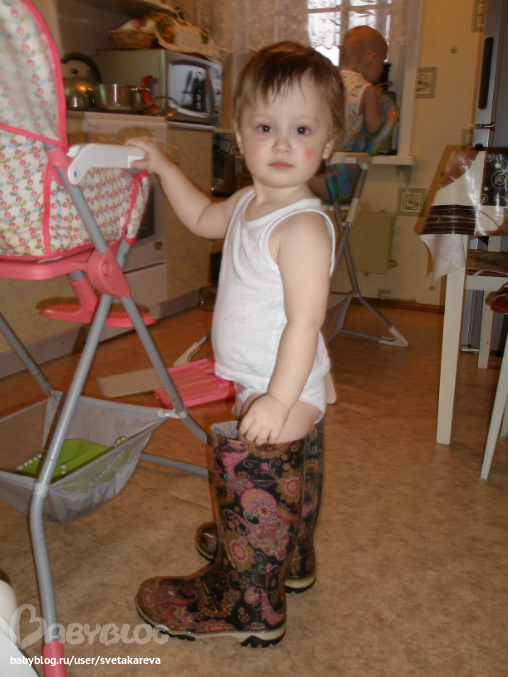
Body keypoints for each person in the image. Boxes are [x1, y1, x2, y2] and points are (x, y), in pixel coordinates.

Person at [126, 42, 345, 647]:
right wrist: (165, 167)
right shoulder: (250, 202)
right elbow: (202, 218)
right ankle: (287, 558)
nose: (282, 144)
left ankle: (251, 601)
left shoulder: (302, 226)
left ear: (328, 142)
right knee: (286, 472)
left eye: (302, 130)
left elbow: (304, 323)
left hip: (286, 381)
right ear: (241, 136)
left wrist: (278, 399)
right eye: (266, 127)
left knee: (253, 468)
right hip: (265, 377)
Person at [309, 25, 388, 201]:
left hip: (312, 147)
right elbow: (373, 126)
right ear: (371, 60)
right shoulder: (366, 89)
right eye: (382, 62)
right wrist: (376, 101)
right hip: (331, 168)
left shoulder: (330, 80)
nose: (382, 68)